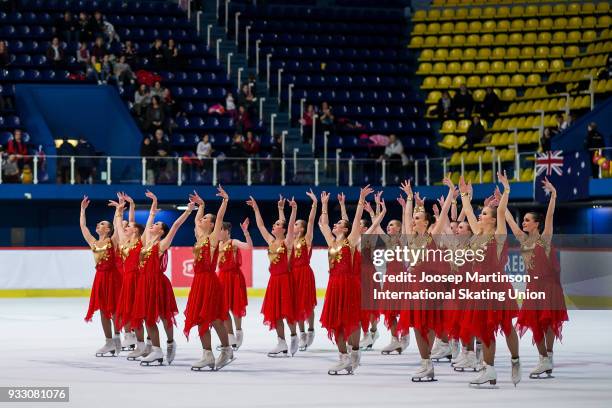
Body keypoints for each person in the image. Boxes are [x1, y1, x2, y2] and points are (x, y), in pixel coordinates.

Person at [458, 173, 522, 387]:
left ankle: (515, 361)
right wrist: (465, 194)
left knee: (506, 326)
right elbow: (467, 211)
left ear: (492, 220)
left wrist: (506, 190)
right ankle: (490, 370)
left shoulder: (498, 235)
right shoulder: (477, 233)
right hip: (478, 287)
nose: (479, 215)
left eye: (484, 213)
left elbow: (502, 211)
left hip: (496, 285)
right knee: (484, 328)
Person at [318, 187, 386, 374]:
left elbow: (356, 221)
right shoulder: (332, 242)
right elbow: (322, 224)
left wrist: (360, 200)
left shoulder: (352, 241)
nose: (334, 225)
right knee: (335, 321)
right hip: (334, 285)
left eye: (338, 223)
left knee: (351, 320)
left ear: (346, 229)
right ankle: (344, 357)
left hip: (349, 285)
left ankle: (354, 352)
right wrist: (323, 204)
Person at [505, 178, 567, 379]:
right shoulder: (523, 239)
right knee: (534, 323)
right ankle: (544, 357)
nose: (523, 222)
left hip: (549, 286)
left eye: (527, 220)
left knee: (548, 322)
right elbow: (510, 222)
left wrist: (554, 195)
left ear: (537, 224)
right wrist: (502, 205)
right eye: (523, 220)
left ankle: (548, 356)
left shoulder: (544, 238)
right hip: (532, 287)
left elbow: (550, 216)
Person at [396, 178, 455, 381]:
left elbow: (445, 212)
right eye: (414, 217)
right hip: (415, 285)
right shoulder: (410, 238)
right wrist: (410, 197)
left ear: (427, 222)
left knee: (428, 323)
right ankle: (426, 363)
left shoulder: (433, 236)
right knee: (417, 323)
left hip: (430, 285)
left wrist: (450, 193)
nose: (414, 219)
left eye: (418, 217)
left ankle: (427, 362)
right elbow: (405, 217)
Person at [133, 191, 192, 366]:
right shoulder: (145, 242)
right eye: (155, 223)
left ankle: (170, 342)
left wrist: (188, 211)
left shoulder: (161, 245)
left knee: (164, 316)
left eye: (157, 224)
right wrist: (154, 203)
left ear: (161, 231)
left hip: (157, 283)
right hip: (144, 283)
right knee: (147, 317)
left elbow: (175, 225)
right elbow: (150, 218)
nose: (153, 224)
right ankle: (157, 351)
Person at [184, 188, 235, 371]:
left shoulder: (213, 239)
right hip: (198, 282)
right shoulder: (199, 236)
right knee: (200, 318)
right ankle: (207, 354)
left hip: (209, 281)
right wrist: (202, 205)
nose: (202, 220)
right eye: (203, 218)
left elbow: (220, 218)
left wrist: (225, 201)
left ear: (213, 225)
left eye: (206, 218)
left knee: (214, 318)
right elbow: (197, 220)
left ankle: (227, 349)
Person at [245, 195, 299, 357]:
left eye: (276, 224)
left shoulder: (288, 242)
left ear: (282, 229)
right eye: (274, 224)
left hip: (285, 280)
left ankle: (294, 335)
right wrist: (255, 208)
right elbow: (260, 225)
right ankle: (281, 342)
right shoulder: (270, 241)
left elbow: (290, 227)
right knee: (275, 312)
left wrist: (294, 209)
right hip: (274, 281)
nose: (273, 226)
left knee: (287, 311)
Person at [79, 195, 122, 357]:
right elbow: (83, 227)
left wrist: (118, 211)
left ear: (108, 230)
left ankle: (118, 336)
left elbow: (118, 228)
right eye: (99, 223)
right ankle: (109, 341)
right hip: (100, 279)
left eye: (102, 224)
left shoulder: (113, 241)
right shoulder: (93, 242)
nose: (98, 224)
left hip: (113, 278)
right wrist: (83, 209)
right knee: (103, 311)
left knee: (115, 309)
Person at [278, 191, 318, 350]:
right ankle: (301, 333)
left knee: (307, 304)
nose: (293, 225)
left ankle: (311, 329)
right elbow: (282, 224)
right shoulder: (288, 240)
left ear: (301, 228)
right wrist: (281, 209)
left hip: (304, 273)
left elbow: (311, 220)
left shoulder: (306, 239)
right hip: (291, 274)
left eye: (296, 224)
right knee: (295, 305)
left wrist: (314, 204)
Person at [108, 193, 145, 356]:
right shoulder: (118, 240)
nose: (125, 228)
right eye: (123, 227)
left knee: (134, 307)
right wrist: (119, 211)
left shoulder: (134, 239)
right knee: (123, 307)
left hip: (131, 275)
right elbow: (119, 226)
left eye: (127, 227)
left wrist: (131, 206)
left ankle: (141, 340)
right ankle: (128, 335)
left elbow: (132, 223)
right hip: (120, 275)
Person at [217, 218, 252, 350]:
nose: (218, 232)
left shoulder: (234, 242)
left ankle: (238, 331)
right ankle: (230, 336)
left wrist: (246, 233)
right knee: (223, 308)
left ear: (226, 231)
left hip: (235, 277)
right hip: (222, 277)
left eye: (220, 229)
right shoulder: (217, 244)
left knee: (235, 306)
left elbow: (249, 247)